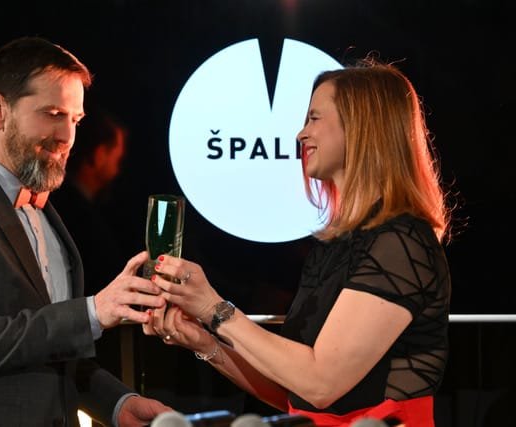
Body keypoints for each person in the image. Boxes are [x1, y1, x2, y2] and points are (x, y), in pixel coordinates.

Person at [143, 58, 452, 427]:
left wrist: (214, 309)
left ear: (361, 127)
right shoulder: (335, 247)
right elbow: (295, 390)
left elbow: (321, 383)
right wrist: (204, 342)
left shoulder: (401, 243)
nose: (301, 135)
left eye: (314, 118)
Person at [0, 36, 171, 427]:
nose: (67, 137)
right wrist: (93, 311)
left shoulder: (47, 215)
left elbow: (52, 353)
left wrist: (118, 403)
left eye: (75, 120)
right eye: (53, 113)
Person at [50, 105, 130, 378]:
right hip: (82, 353)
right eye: (117, 159)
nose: (118, 170)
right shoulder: (71, 214)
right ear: (98, 155)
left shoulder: (84, 210)